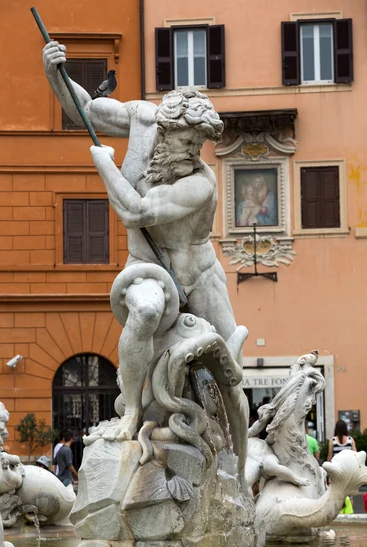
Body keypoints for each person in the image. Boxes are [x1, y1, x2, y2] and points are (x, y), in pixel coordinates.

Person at [42, 42, 249, 445]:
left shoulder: (200, 183)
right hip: (149, 268)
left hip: (199, 273)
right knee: (147, 311)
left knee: (231, 375)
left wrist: (104, 164)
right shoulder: (142, 119)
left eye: (200, 145)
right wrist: (56, 73)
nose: (194, 153)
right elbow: (84, 109)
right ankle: (133, 410)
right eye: (188, 142)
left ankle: (241, 452)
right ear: (165, 129)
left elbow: (136, 212)